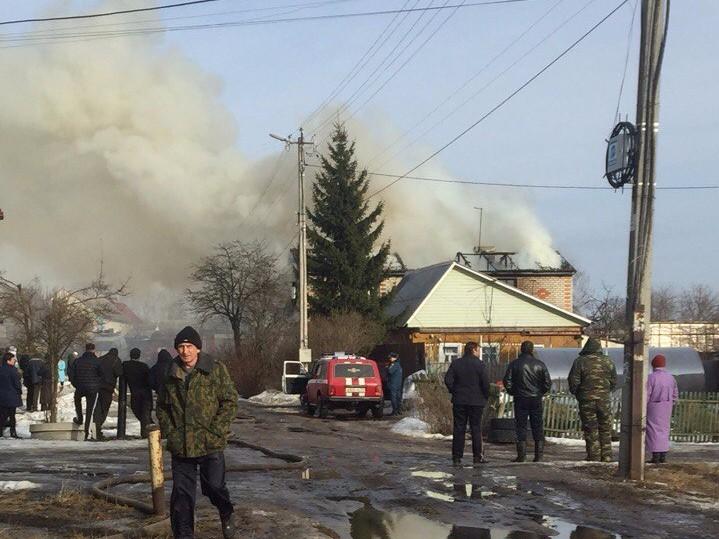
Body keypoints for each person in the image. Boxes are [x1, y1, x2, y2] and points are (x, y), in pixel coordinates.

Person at [156, 326, 239, 539]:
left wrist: (217, 431)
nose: (185, 351)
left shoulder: (215, 369)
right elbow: (162, 407)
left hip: (209, 442)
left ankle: (226, 512)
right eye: (181, 347)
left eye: (189, 346)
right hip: (181, 445)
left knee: (214, 486)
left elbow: (229, 401)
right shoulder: (169, 373)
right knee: (182, 498)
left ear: (198, 348)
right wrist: (170, 432)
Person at [568, 337, 617, 462]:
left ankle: (593, 455)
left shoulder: (580, 361)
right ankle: (607, 455)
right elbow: (614, 381)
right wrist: (605, 391)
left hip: (586, 400)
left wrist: (578, 393)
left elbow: (574, 381)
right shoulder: (608, 362)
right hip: (604, 400)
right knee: (605, 427)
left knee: (590, 428)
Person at [503, 340, 552, 462]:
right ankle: (538, 456)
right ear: (532, 350)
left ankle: (521, 456)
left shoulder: (514, 364)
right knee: (537, 425)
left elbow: (507, 382)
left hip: (520, 398)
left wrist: (513, 392)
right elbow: (547, 383)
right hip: (535, 398)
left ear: (521, 349)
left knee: (521, 426)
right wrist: (540, 392)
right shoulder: (540, 364)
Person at [444, 341, 490, 466]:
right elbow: (485, 383)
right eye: (478, 349)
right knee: (476, 428)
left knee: (459, 428)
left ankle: (457, 456)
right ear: (474, 350)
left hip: (459, 400)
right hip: (476, 401)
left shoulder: (456, 363)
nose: (479, 352)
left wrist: (454, 391)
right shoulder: (480, 365)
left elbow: (448, 379)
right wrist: (485, 396)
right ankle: (477, 456)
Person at [646, 354, 678, 464]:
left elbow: (647, 394)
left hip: (653, 406)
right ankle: (663, 455)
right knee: (664, 430)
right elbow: (675, 394)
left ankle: (655, 456)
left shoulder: (651, 377)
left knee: (653, 430)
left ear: (653, 365)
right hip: (667, 407)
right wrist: (672, 403)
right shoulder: (671, 377)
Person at [68, 343, 104, 440]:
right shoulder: (97, 361)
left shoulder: (78, 361)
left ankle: (79, 418)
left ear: (85, 349)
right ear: (94, 350)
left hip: (80, 387)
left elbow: (72, 374)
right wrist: (98, 384)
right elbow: (102, 375)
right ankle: (87, 433)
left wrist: (76, 384)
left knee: (77, 400)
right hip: (93, 389)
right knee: (90, 411)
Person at [123, 348, 153, 438]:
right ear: (139, 356)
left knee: (137, 410)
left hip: (134, 392)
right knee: (145, 413)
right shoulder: (144, 366)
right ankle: (148, 431)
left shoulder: (126, 365)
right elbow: (150, 379)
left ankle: (148, 429)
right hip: (146, 392)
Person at [98, 347, 123, 430]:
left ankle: (95, 427)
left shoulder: (100, 359)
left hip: (97, 386)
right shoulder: (116, 360)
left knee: (97, 408)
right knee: (105, 408)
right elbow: (119, 373)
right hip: (108, 387)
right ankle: (98, 426)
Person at [0, 352, 22, 438]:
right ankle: (13, 433)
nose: (15, 361)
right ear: (8, 360)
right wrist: (19, 391)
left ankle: (0, 432)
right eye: (13, 359)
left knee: (2, 415)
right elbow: (16, 383)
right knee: (12, 415)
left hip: (2, 396)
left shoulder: (1, 369)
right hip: (12, 395)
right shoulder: (13, 370)